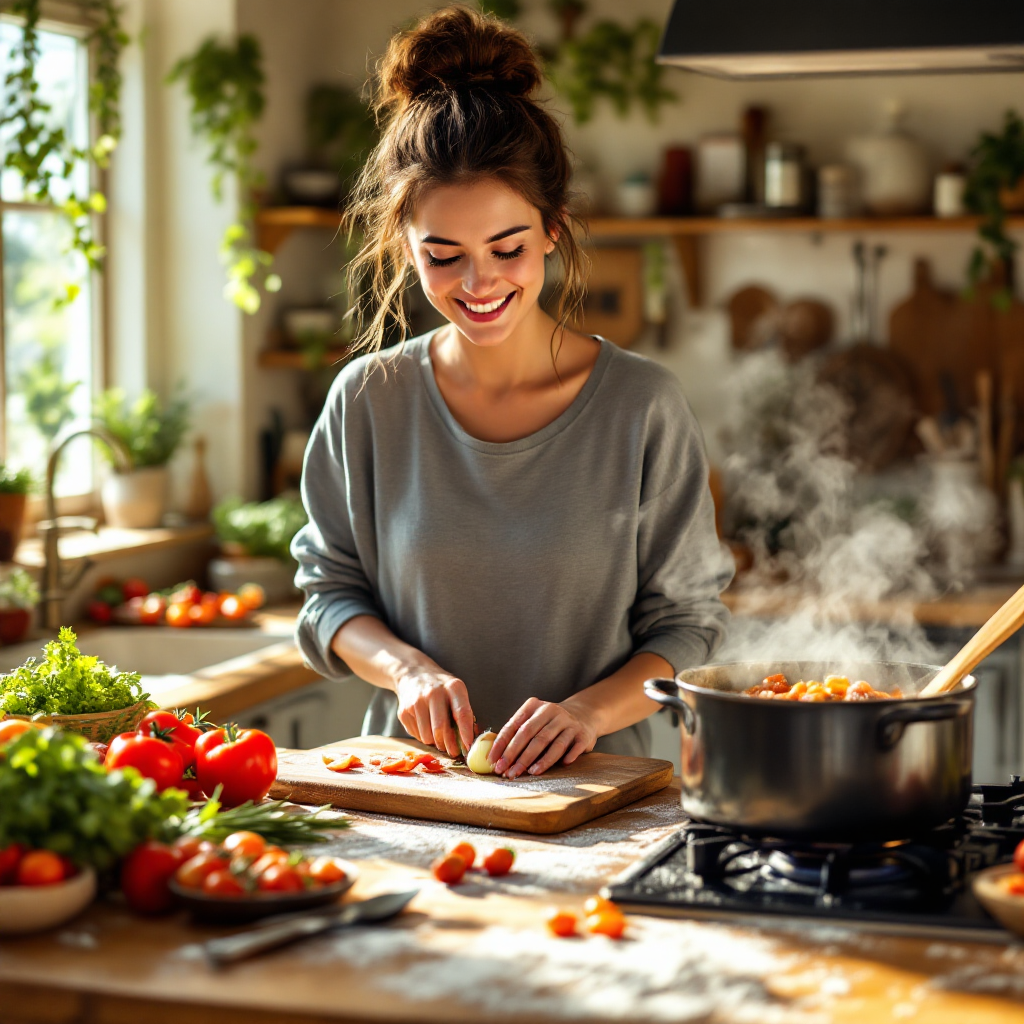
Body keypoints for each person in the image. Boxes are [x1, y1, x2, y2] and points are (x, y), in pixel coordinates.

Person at [292, 6, 732, 779]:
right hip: (412, 795)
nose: (480, 282)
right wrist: (405, 670)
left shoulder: (641, 407)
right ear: (404, 247)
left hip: (596, 799)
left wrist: (587, 713)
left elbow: (688, 625)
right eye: (444, 255)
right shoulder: (366, 401)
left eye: (507, 247)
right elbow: (329, 595)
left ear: (553, 229)